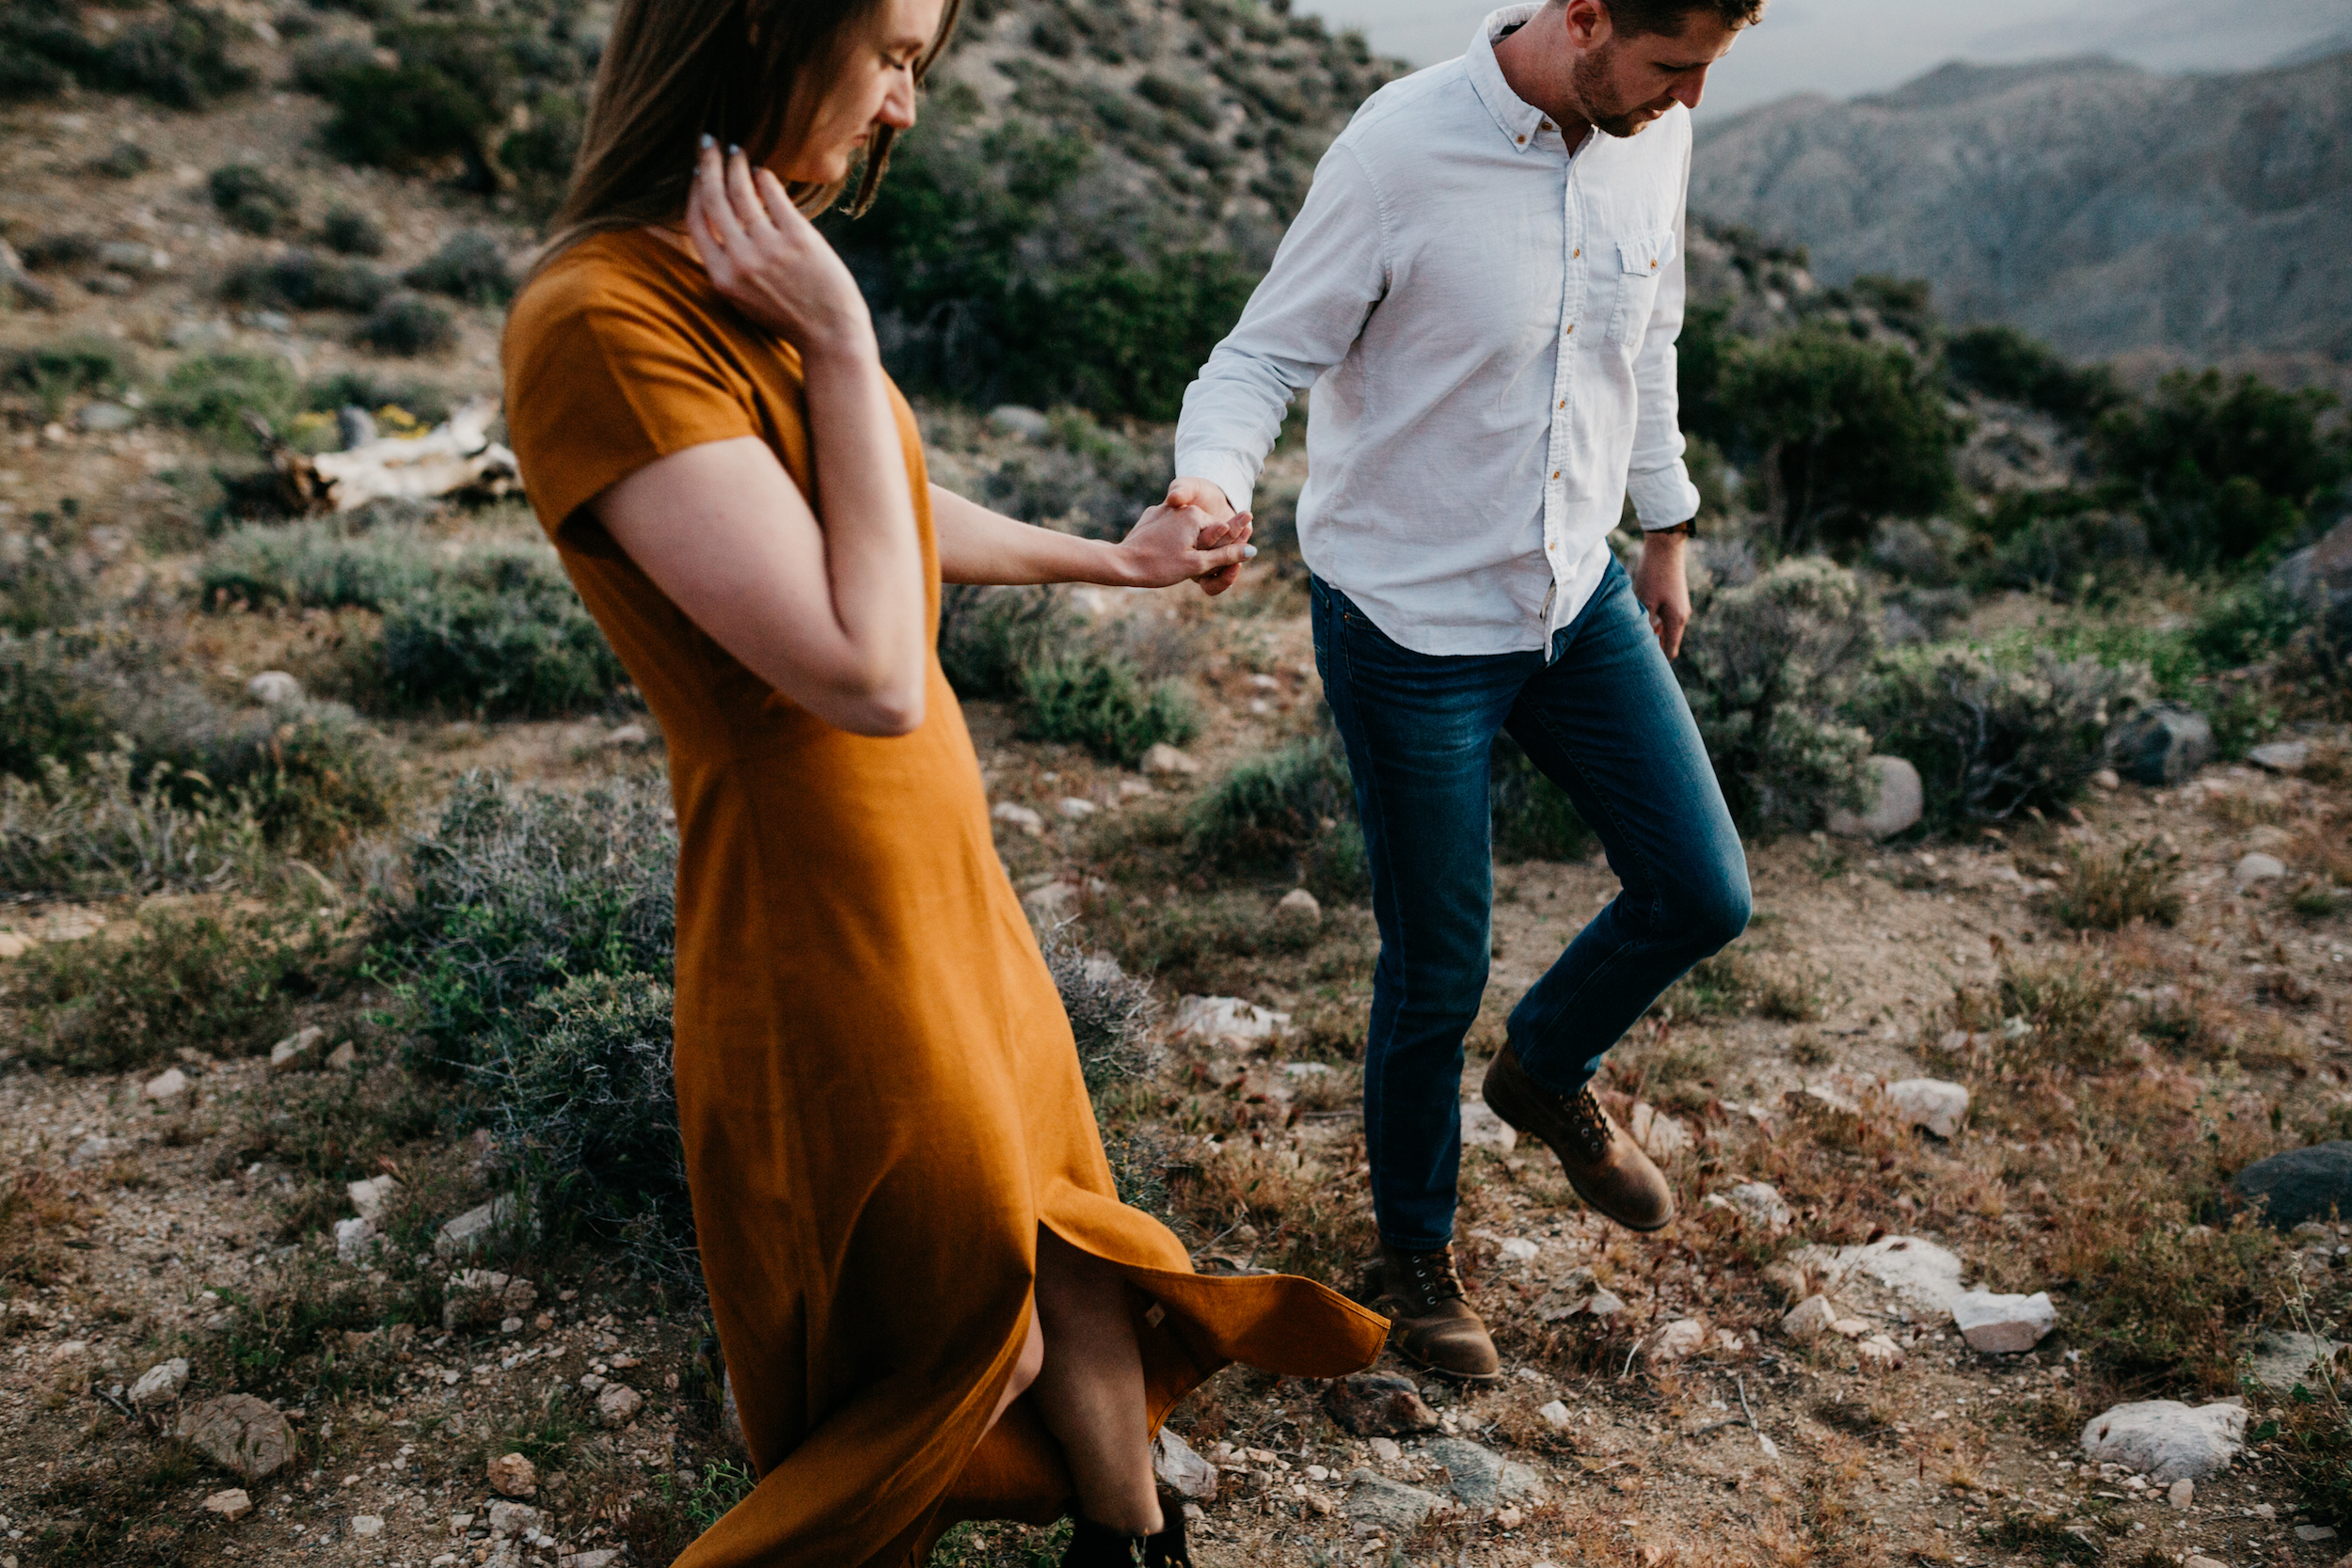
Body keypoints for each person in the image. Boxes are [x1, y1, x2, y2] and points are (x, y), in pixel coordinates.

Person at [499, 0, 1389, 1561]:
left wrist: (1109, 559)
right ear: (762, 28)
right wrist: (843, 336)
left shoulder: (738, 272)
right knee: (960, 1310)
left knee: (1061, 1229)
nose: (908, 104)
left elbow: (873, 501)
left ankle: (1132, 1541)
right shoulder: (599, 320)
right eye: (896, 52)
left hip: (930, 845)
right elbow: (862, 664)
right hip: (813, 888)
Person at [1161, 0, 1763, 1384]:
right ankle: (1417, 1256)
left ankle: (1544, 1071)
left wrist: (1663, 524)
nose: (1683, 103)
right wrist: (1212, 484)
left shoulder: (1649, 129)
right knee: (1437, 964)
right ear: (1587, 16)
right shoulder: (1396, 151)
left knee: (1702, 890)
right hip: (1410, 620)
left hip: (1573, 589)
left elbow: (1646, 329)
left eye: (1705, 77)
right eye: (1672, 68)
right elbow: (1259, 358)